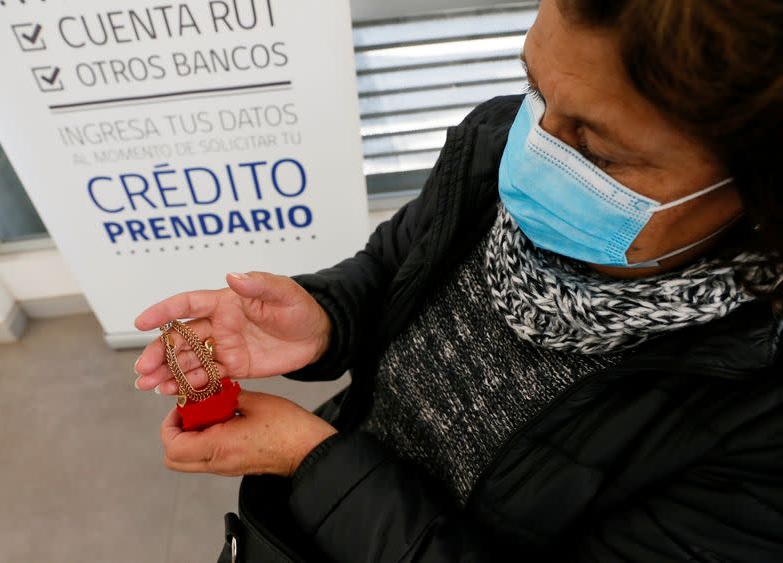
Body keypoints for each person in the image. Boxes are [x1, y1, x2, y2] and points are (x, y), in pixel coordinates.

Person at [133, 0, 783, 560]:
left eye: (598, 150)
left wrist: (313, 461)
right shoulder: (498, 136)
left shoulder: (757, 426)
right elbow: (395, 265)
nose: (537, 147)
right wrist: (324, 316)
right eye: (536, 89)